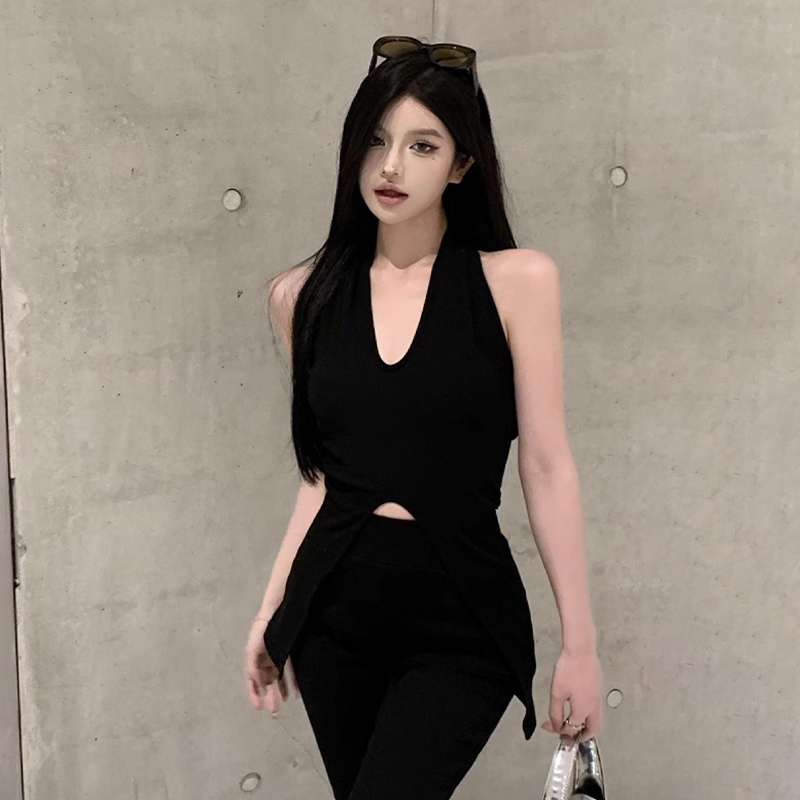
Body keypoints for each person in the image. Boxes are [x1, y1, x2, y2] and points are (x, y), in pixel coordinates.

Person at [244, 36, 603, 799]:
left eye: (422, 145)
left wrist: (580, 644)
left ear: (462, 164)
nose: (392, 166)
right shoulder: (300, 297)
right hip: (333, 616)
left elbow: (546, 465)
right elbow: (322, 475)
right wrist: (272, 610)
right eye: (375, 141)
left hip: (459, 618)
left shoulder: (518, 282)